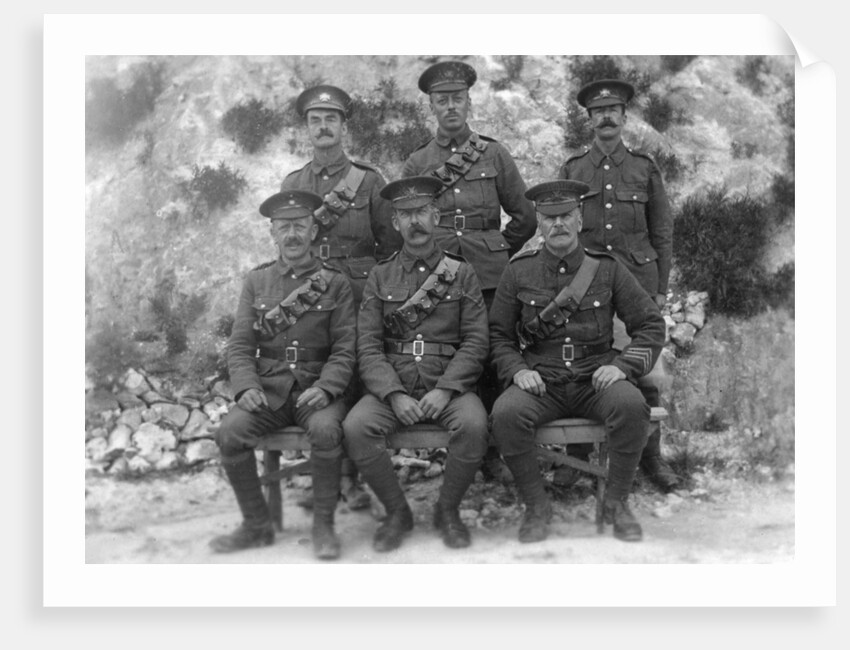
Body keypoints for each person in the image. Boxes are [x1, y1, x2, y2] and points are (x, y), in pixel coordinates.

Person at [489, 180, 666, 543]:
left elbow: (650, 324)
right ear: (538, 221)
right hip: (542, 380)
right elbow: (499, 336)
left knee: (632, 405)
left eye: (566, 215)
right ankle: (537, 506)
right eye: (549, 217)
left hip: (594, 378)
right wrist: (518, 370)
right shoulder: (518, 270)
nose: (558, 224)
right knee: (506, 415)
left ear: (580, 217)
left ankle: (616, 504)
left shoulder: (607, 269)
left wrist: (623, 367)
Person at [402, 60, 536, 479]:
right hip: (439, 275)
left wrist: (495, 248)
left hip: (490, 275)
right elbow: (407, 223)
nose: (451, 107)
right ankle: (464, 447)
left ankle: (498, 452)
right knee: (455, 352)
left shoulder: (493, 153)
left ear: (468, 101)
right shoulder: (418, 162)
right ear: (432, 107)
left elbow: (525, 217)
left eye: (457, 98)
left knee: (496, 355)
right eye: (442, 101)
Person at [342, 176, 490, 552]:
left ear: (436, 216)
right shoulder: (380, 275)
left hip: (447, 385)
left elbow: (476, 340)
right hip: (398, 385)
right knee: (357, 427)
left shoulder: (462, 272)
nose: (415, 222)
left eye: (421, 211)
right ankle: (397, 513)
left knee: (473, 425)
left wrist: (446, 390)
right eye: (405, 215)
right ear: (394, 223)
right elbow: (369, 344)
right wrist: (393, 395)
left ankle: (448, 510)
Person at [211, 189, 356, 560]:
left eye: (300, 226)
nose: (292, 235)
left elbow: (345, 348)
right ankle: (257, 525)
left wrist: (327, 388)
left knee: (326, 429)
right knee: (230, 433)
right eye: (284, 227)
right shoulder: (256, 282)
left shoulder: (335, 283)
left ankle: (323, 525)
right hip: (270, 391)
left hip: (315, 388)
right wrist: (245, 388)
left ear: (313, 232)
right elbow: (241, 345)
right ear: (273, 234)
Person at [282, 84, 403, 508]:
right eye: (315, 120)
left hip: (359, 290)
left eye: (331, 119)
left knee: (354, 377)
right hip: (313, 293)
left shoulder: (368, 181)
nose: (323, 127)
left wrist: (374, 289)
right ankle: (327, 482)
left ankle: (352, 483)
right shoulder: (294, 183)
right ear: (307, 129)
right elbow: (289, 244)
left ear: (343, 126)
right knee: (320, 375)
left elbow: (390, 244)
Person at [558, 78, 679, 492]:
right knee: (577, 366)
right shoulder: (574, 171)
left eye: (613, 110)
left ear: (624, 117)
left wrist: (660, 290)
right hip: (586, 289)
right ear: (588, 120)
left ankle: (651, 459)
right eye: (598, 111)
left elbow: (662, 233)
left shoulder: (644, 168)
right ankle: (574, 458)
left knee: (644, 373)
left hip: (637, 289)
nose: (606, 117)